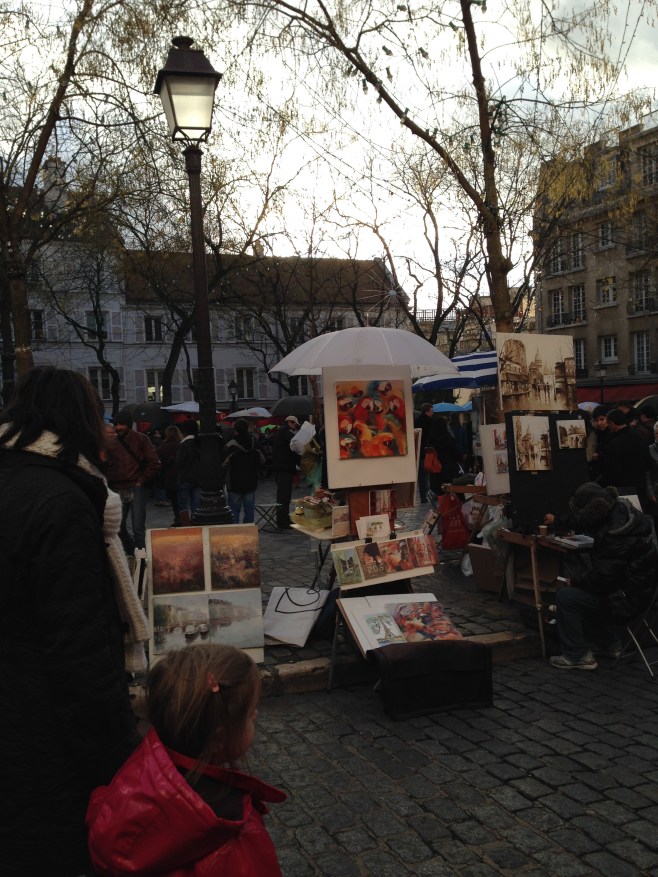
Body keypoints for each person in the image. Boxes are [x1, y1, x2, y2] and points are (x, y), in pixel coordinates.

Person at [0, 366, 145, 877]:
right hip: (40, 734)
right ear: (80, 418)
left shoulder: (18, 477)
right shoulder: (60, 499)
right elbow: (78, 648)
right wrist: (122, 751)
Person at [87, 644, 286, 877]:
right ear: (220, 737)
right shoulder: (234, 834)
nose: (256, 715)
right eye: (252, 712)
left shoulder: (138, 770)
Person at [544, 482, 657, 671]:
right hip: (641, 589)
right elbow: (583, 520)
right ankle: (609, 644)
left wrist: (576, 580)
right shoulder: (620, 511)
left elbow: (603, 581)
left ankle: (577, 655)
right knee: (587, 590)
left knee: (568, 596)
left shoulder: (615, 536)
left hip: (626, 598)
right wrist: (558, 520)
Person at [105, 411, 160, 552]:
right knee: (118, 526)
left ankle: (142, 557)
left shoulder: (141, 439)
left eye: (121, 424)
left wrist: (141, 481)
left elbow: (154, 462)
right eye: (116, 424)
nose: (118, 427)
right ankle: (131, 550)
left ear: (128, 425)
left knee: (138, 527)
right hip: (118, 487)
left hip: (135, 486)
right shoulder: (112, 442)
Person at [599, 408, 651, 511]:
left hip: (623, 490)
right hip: (641, 486)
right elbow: (649, 463)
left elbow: (611, 473)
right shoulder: (640, 437)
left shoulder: (614, 444)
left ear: (612, 423)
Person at [223, 418, 265, 523]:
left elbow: (223, 463)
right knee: (249, 510)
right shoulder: (254, 442)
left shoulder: (230, 445)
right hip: (251, 481)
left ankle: (235, 533)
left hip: (234, 482)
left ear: (235, 429)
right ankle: (249, 532)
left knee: (234, 510)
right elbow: (262, 460)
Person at [271, 415, 302, 530]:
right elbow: (294, 442)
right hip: (283, 468)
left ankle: (284, 518)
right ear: (290, 422)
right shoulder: (284, 430)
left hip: (284, 468)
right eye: (294, 425)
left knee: (285, 495)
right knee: (283, 496)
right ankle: (282, 521)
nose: (295, 427)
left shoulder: (283, 431)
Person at [427, 416, 462, 497]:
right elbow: (457, 454)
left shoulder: (431, 440)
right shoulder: (448, 439)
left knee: (442, 497)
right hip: (450, 473)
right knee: (458, 497)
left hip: (436, 474)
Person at [176, 419, 202, 525]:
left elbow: (179, 463)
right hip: (198, 478)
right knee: (196, 505)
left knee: (182, 505)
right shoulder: (200, 443)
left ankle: (186, 526)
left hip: (185, 478)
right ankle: (196, 525)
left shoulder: (184, 444)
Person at [157, 424, 183, 525]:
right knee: (182, 500)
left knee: (174, 501)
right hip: (181, 476)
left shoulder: (163, 446)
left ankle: (178, 519)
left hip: (169, 477)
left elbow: (158, 460)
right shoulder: (182, 445)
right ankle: (183, 518)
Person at [585, 405, 610, 480]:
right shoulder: (597, 434)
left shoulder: (612, 434)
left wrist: (599, 455)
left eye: (602, 419)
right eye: (596, 420)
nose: (599, 423)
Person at [416, 402, 434, 503]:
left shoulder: (417, 420)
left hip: (419, 451)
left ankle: (423, 495)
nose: (433, 413)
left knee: (422, 475)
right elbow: (430, 437)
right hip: (428, 451)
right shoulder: (429, 422)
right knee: (430, 473)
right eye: (431, 411)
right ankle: (431, 493)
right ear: (427, 411)